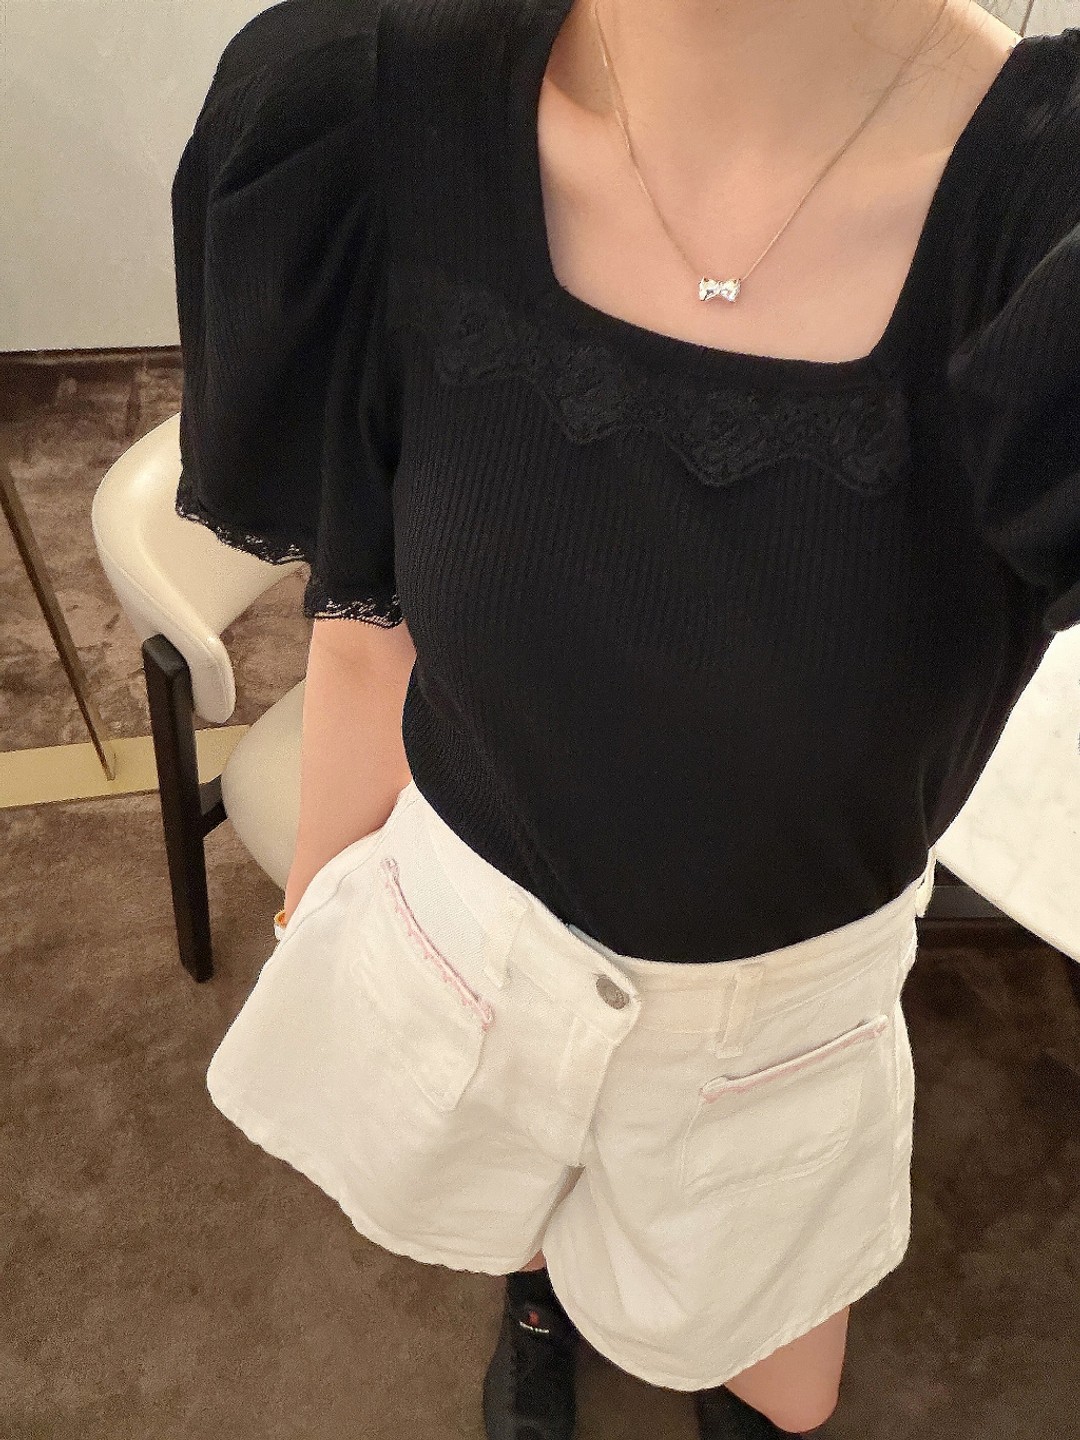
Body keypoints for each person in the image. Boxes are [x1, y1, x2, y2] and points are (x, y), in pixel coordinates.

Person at [170, 0, 1080, 1435]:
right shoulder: (368, 125)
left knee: (777, 1384)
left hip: (775, 1033)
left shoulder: (1041, 234)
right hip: (463, 938)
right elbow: (368, 609)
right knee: (503, 1206)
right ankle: (533, 1295)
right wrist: (323, 907)